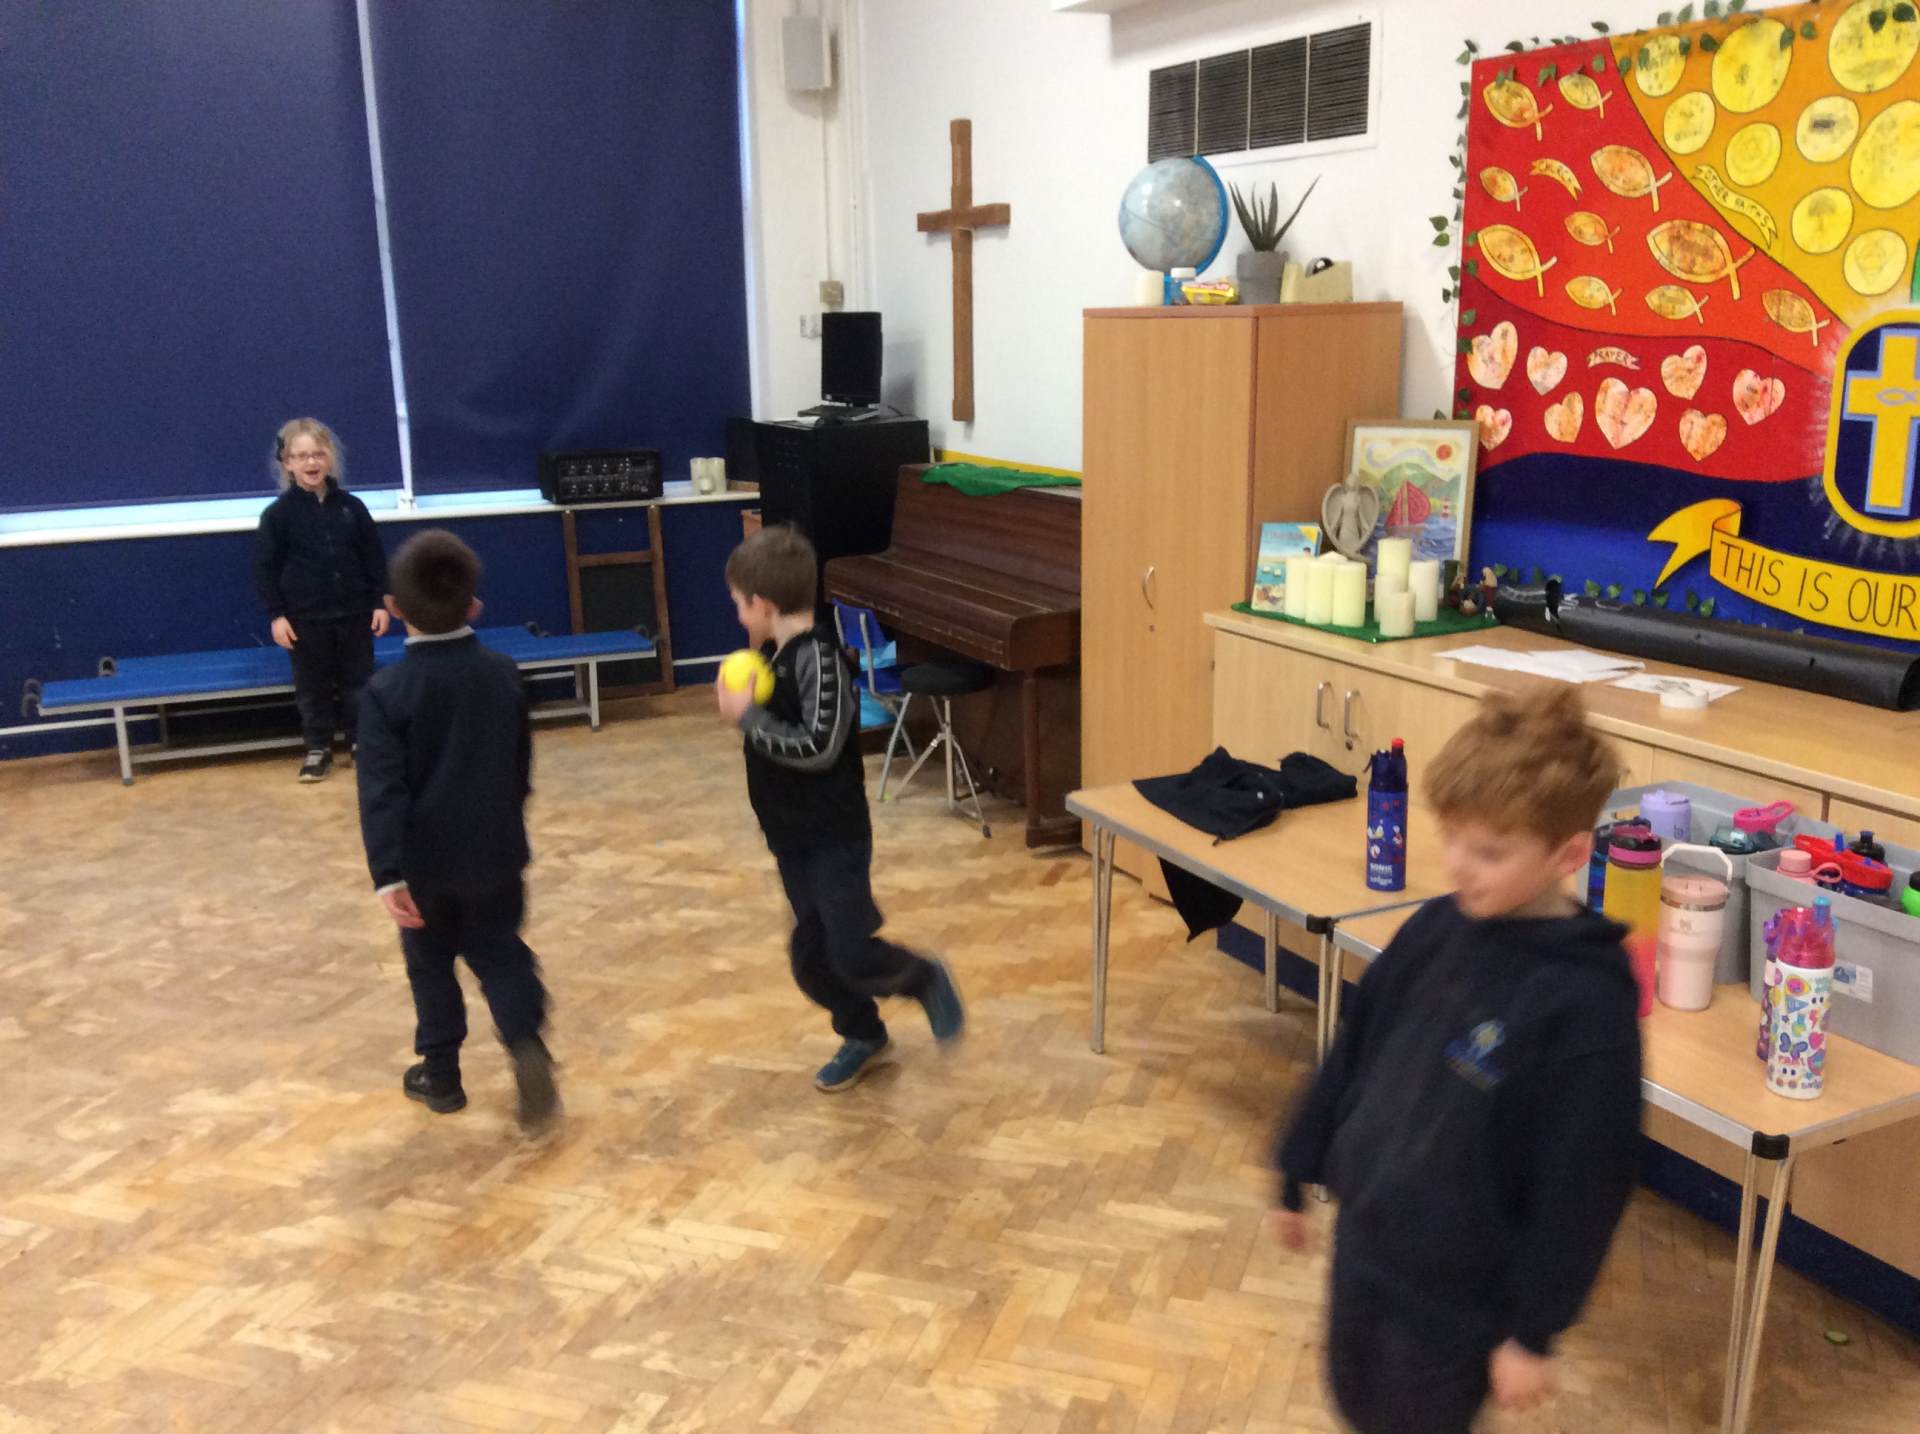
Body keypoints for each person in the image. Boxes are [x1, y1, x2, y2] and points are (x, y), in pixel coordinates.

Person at [1271, 686, 1641, 1433]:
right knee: (1356, 1402)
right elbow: (1354, 1048)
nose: (1457, 866)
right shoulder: (1436, 928)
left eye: (1490, 853)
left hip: (1460, 1298)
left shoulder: (1587, 1003)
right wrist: (1296, 1164)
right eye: (1452, 838)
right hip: (1366, 1247)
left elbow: (1584, 1186)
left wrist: (1533, 1332)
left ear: (1569, 854)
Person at [718, 525, 965, 1092]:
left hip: (834, 835)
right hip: (791, 837)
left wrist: (747, 719)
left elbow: (818, 747)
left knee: (851, 951)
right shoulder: (768, 657)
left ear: (762, 604)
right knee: (811, 960)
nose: (737, 615)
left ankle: (923, 977)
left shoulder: (821, 660)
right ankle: (864, 1034)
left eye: (738, 604)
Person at [355, 529, 557, 1132]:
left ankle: (441, 1074)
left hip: (423, 865)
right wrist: (508, 819)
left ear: (394, 608)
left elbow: (381, 792)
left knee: (429, 964)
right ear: (475, 606)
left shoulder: (386, 692)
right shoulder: (503, 674)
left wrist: (387, 873)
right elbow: (519, 764)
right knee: (501, 953)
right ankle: (526, 1045)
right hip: (495, 852)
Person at [254, 418, 390, 782]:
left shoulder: (352, 508)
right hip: (305, 619)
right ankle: (318, 747)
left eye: (317, 454)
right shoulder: (278, 515)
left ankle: (361, 741)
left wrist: (379, 603)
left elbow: (373, 557)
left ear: (329, 458)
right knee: (312, 688)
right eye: (301, 456)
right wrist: (277, 615)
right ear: (287, 463)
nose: (311, 462)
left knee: (359, 682)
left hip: (355, 613)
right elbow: (265, 568)